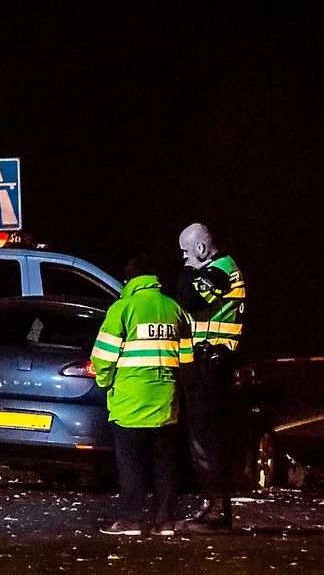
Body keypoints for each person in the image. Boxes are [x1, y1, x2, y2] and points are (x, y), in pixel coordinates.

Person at [92, 258, 193, 536]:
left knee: (131, 463)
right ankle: (165, 521)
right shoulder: (174, 309)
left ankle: (131, 520)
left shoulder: (123, 308)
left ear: (129, 282)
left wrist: (106, 381)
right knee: (165, 464)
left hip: (130, 402)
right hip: (165, 403)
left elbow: (102, 357)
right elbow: (186, 360)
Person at [175, 223, 246, 532]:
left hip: (213, 363)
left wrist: (189, 271)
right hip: (208, 362)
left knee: (205, 437)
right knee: (203, 435)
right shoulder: (219, 270)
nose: (184, 259)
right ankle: (213, 506)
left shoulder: (220, 271)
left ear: (201, 249)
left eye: (186, 253)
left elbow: (187, 299)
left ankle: (216, 510)